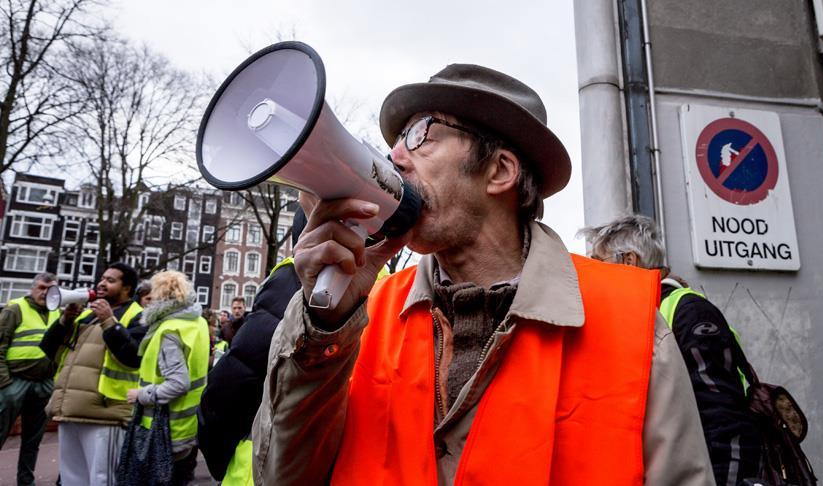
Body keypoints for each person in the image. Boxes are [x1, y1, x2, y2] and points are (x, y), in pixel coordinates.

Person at [252, 64, 714, 484]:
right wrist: (323, 329)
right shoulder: (362, 314)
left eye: (421, 135)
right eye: (398, 140)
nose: (395, 157)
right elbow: (283, 477)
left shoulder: (631, 325)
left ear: (499, 171)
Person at [581, 214, 762, 486]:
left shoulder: (689, 312)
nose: (593, 273)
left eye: (598, 261)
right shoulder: (637, 313)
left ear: (629, 261)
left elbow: (723, 418)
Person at [198, 209, 306, 484]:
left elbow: (230, 389)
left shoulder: (293, 283)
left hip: (263, 469)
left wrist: (218, 457)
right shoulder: (387, 289)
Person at [40, 262, 145, 485]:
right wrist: (65, 320)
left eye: (110, 280)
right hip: (71, 408)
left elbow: (133, 357)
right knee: (71, 479)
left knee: (102, 479)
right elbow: (49, 349)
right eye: (102, 278)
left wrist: (109, 321)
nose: (102, 283)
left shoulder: (138, 317)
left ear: (127, 288)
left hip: (105, 413)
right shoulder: (86, 316)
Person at [125, 270, 209, 486]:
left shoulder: (169, 330)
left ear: (161, 295)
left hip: (166, 429)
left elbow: (178, 383)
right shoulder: (197, 322)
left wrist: (141, 395)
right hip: (189, 424)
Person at [0, 273, 60, 486]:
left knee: (33, 440)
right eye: (41, 287)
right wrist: (5, 384)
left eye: (50, 289)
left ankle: (26, 481)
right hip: (15, 381)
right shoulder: (15, 309)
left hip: (44, 383)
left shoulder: (58, 312)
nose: (45, 293)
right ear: (32, 288)